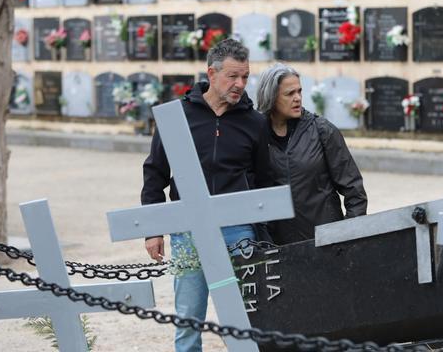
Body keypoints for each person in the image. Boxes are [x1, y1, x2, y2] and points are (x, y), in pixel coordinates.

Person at [140, 39, 271, 352]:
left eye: (245, 77)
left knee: (245, 321)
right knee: (188, 321)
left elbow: (265, 179)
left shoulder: (255, 123)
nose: (240, 84)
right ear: (211, 74)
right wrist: (153, 229)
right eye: (233, 76)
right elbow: (155, 172)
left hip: (239, 231)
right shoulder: (176, 117)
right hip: (188, 230)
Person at [256, 63, 367, 245]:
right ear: (271, 96)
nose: (298, 98)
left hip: (326, 243)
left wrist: (347, 236)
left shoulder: (322, 130)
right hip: (280, 247)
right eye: (289, 94)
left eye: (299, 91)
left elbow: (355, 191)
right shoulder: (257, 136)